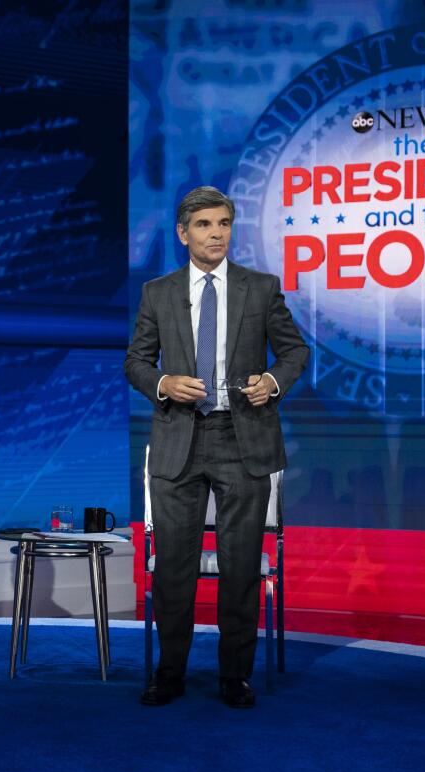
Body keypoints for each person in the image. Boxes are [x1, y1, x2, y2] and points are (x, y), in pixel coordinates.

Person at [125, 186, 309, 708]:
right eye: (204, 225)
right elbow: (136, 361)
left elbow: (295, 352)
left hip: (241, 437)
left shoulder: (261, 287)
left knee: (240, 564)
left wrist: (272, 381)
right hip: (178, 438)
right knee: (176, 567)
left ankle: (235, 675)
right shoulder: (158, 293)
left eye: (224, 223)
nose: (216, 234)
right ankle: (170, 672)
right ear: (184, 233)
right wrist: (163, 384)